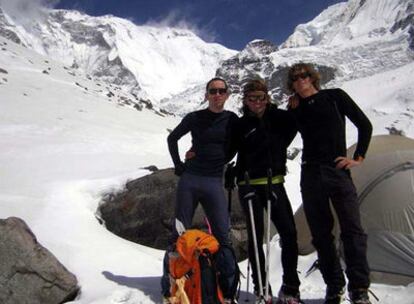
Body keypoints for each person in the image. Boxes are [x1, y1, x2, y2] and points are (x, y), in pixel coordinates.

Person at [286, 63, 373, 304]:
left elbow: (364, 125)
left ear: (312, 77)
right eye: (295, 77)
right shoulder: (295, 107)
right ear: (292, 84)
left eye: (304, 75)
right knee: (321, 235)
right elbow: (281, 134)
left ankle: (359, 288)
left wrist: (358, 158)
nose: (300, 79)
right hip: (310, 174)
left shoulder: (335, 97)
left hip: (336, 171)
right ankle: (334, 287)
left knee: (352, 230)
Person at [161, 77, 239, 304]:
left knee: (223, 237)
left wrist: (225, 159)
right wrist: (178, 165)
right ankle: (171, 289)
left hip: (214, 181)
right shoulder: (195, 118)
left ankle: (226, 291)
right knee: (178, 234)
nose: (217, 95)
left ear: (227, 95)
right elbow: (172, 138)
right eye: (213, 91)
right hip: (191, 180)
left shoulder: (231, 119)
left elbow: (237, 143)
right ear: (206, 95)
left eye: (221, 91)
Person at [231, 79, 301, 304]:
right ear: (245, 100)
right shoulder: (241, 125)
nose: (257, 102)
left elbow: (292, 130)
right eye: (252, 98)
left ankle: (290, 288)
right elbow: (229, 150)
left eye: (261, 97)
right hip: (248, 184)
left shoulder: (281, 118)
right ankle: (263, 289)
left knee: (289, 233)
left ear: (267, 98)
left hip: (274, 182)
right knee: (254, 238)